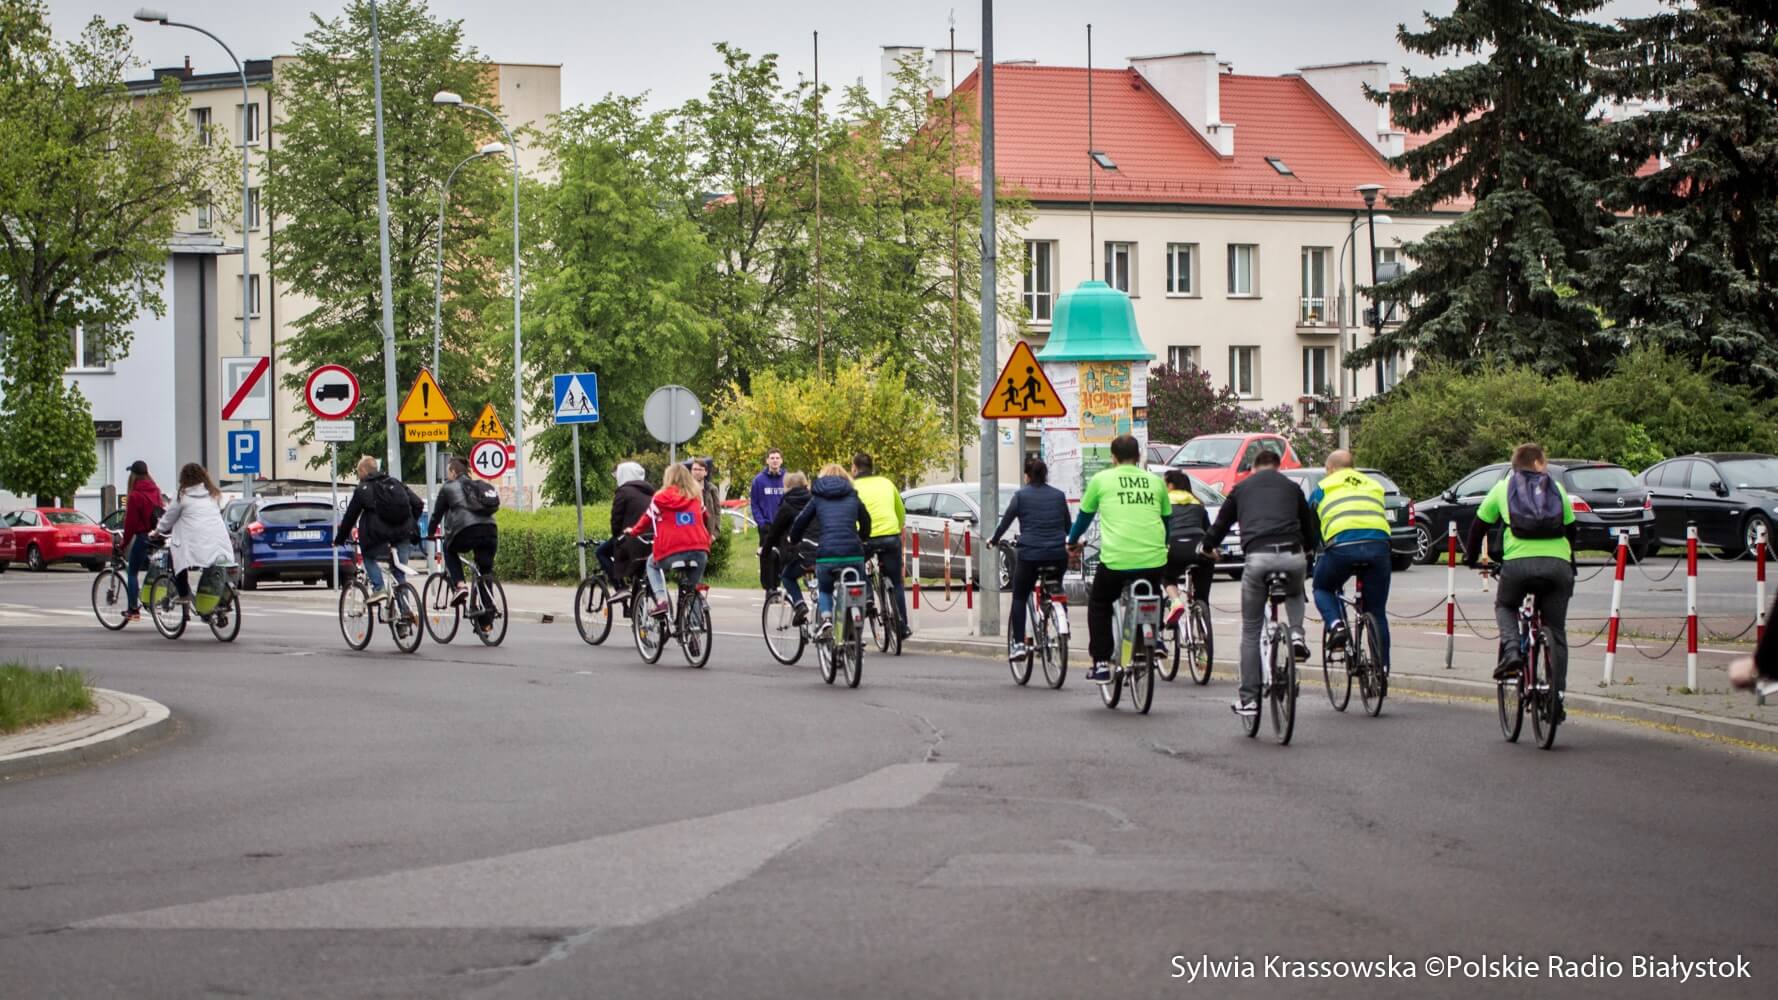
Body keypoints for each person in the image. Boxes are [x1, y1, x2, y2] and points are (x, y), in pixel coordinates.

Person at [1465, 442, 1577, 721]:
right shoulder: (1557, 488)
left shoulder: (1503, 488)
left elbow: (1479, 525)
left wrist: (1471, 558)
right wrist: (1569, 561)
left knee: (1505, 605)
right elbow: (1573, 528)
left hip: (1517, 566)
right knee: (1557, 632)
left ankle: (1512, 650)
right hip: (1558, 566)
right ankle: (1556, 698)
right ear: (1538, 462)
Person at [1202, 448, 1318, 717]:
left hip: (1258, 558)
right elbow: (1308, 525)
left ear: (1253, 468)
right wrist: (1309, 550)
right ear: (1279, 467)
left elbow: (1220, 525)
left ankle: (1249, 699)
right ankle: (1297, 635)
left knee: (1252, 630)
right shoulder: (1292, 487)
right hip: (1292, 554)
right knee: (1294, 589)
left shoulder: (1241, 489)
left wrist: (1208, 547)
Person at [1065, 434, 1171, 684]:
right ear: (1139, 457)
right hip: (1153, 559)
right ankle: (1155, 639)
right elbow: (1167, 522)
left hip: (1116, 561)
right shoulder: (1155, 482)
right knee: (1154, 593)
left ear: (1113, 457)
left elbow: (1084, 517)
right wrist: (1163, 546)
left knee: (1100, 602)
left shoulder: (1101, 480)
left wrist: (1072, 542)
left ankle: (1101, 662)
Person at [1308, 451, 1393, 669]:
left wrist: (1310, 554)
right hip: (1379, 548)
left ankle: (1337, 626)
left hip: (1342, 548)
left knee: (1322, 587)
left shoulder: (1324, 487)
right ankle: (1381, 670)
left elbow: (1312, 527)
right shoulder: (1373, 485)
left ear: (1330, 469)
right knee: (1377, 611)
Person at [989, 456, 1070, 660]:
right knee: (1056, 586)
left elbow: (1005, 523)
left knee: (1019, 595)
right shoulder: (1059, 496)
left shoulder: (1021, 496)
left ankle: (1018, 644)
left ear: (1027, 476)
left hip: (1030, 555)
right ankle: (1062, 619)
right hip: (1057, 555)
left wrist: (994, 540)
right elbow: (1068, 527)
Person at [789, 464, 872, 638]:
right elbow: (866, 520)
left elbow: (801, 521)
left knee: (825, 588)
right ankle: (855, 622)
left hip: (827, 555)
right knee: (856, 585)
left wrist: (794, 538)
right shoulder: (853, 496)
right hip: (854, 554)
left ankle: (826, 620)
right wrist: (863, 538)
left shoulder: (817, 498)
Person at [333, 455, 424, 604]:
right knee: (399, 573)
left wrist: (339, 540)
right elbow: (418, 504)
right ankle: (405, 614)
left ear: (363, 470)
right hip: (402, 534)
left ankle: (379, 588)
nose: (358, 475)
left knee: (368, 557)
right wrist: (411, 523)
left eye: (358, 472)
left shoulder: (362, 489)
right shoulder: (395, 483)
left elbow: (350, 517)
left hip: (377, 536)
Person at [626, 463, 712, 617]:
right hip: (700, 550)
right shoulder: (696, 496)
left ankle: (661, 600)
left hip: (672, 551)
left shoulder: (660, 497)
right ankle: (695, 633)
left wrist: (633, 532)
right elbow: (706, 517)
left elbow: (647, 519)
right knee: (692, 590)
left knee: (651, 564)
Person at [150, 463, 234, 605]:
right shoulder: (213, 494)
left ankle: (183, 594)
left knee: (177, 559)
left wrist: (157, 532)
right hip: (218, 539)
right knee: (212, 563)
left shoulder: (182, 496)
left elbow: (168, 518)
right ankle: (216, 597)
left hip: (195, 543)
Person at [851, 452, 910, 640]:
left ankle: (868, 595)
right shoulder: (887, 483)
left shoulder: (851, 487)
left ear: (854, 468)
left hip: (865, 537)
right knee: (897, 582)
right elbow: (900, 511)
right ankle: (902, 625)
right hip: (890, 536)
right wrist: (898, 527)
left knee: (856, 565)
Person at [428, 457, 499, 613]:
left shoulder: (448, 487)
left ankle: (460, 585)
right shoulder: (478, 486)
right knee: (484, 572)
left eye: (448, 472)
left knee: (448, 547)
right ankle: (487, 619)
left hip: (468, 531)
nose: (447, 476)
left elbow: (436, 515)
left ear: (453, 472)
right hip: (491, 530)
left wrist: (430, 533)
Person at [1161, 469, 1213, 630]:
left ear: (1170, 485)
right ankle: (1203, 632)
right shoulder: (1198, 503)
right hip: (1198, 548)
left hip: (1174, 547)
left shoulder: (1163, 502)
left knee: (1167, 575)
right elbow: (1209, 531)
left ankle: (1176, 601)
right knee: (1202, 596)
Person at [758, 471, 813, 622]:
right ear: (805, 485)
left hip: (800, 551)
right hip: (821, 549)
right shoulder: (814, 501)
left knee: (787, 576)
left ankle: (800, 604)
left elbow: (774, 533)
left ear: (786, 487)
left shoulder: (787, 506)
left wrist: (765, 551)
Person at [601, 462, 654, 602]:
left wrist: (616, 536)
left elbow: (616, 519)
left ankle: (620, 588)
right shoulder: (650, 491)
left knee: (601, 552)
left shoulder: (623, 492)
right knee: (639, 572)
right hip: (651, 539)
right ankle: (637, 609)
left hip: (631, 538)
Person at [120, 460, 165, 621]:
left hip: (143, 537)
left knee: (132, 572)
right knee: (153, 568)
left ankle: (133, 610)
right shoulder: (156, 491)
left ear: (133, 476)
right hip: (157, 537)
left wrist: (123, 544)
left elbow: (130, 525)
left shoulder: (135, 495)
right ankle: (151, 596)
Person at [750, 449, 787, 590]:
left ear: (781, 460)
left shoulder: (787, 478)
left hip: (783, 526)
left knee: (782, 556)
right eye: (772, 458)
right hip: (767, 526)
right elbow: (754, 504)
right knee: (767, 557)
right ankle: (769, 588)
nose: (775, 460)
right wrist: (761, 523)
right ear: (767, 461)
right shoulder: (758, 480)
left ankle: (777, 585)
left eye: (777, 457)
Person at [687, 457, 722, 537]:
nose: (697, 472)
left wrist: (715, 533)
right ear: (691, 471)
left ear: (705, 472)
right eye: (695, 469)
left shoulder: (712, 489)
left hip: (707, 532)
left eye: (700, 470)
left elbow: (717, 512)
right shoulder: (686, 489)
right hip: (691, 532)